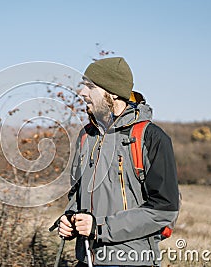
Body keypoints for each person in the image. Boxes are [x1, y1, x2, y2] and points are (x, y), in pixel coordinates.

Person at [57, 57, 180, 266]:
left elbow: (165, 209)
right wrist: (69, 218)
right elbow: (76, 194)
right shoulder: (86, 136)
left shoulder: (151, 137)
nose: (82, 93)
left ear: (112, 92)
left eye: (90, 86)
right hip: (86, 259)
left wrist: (100, 228)